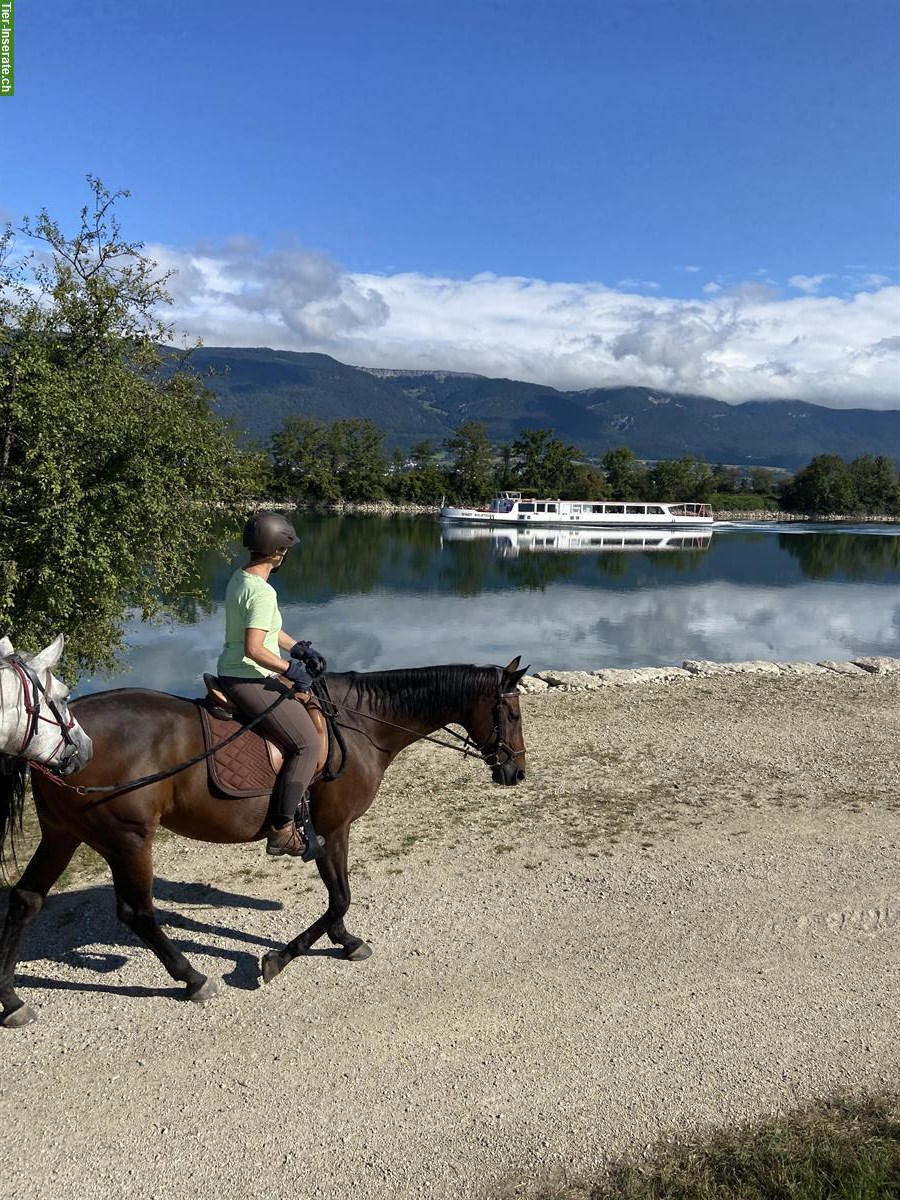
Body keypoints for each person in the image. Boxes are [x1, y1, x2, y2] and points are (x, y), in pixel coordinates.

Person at [217, 511, 328, 857]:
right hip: (248, 677)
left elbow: (265, 629)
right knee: (308, 744)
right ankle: (281, 829)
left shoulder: (241, 578)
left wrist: (298, 648)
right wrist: (291, 668)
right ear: (279, 551)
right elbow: (254, 647)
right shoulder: (263, 592)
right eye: (286, 549)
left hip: (233, 670)